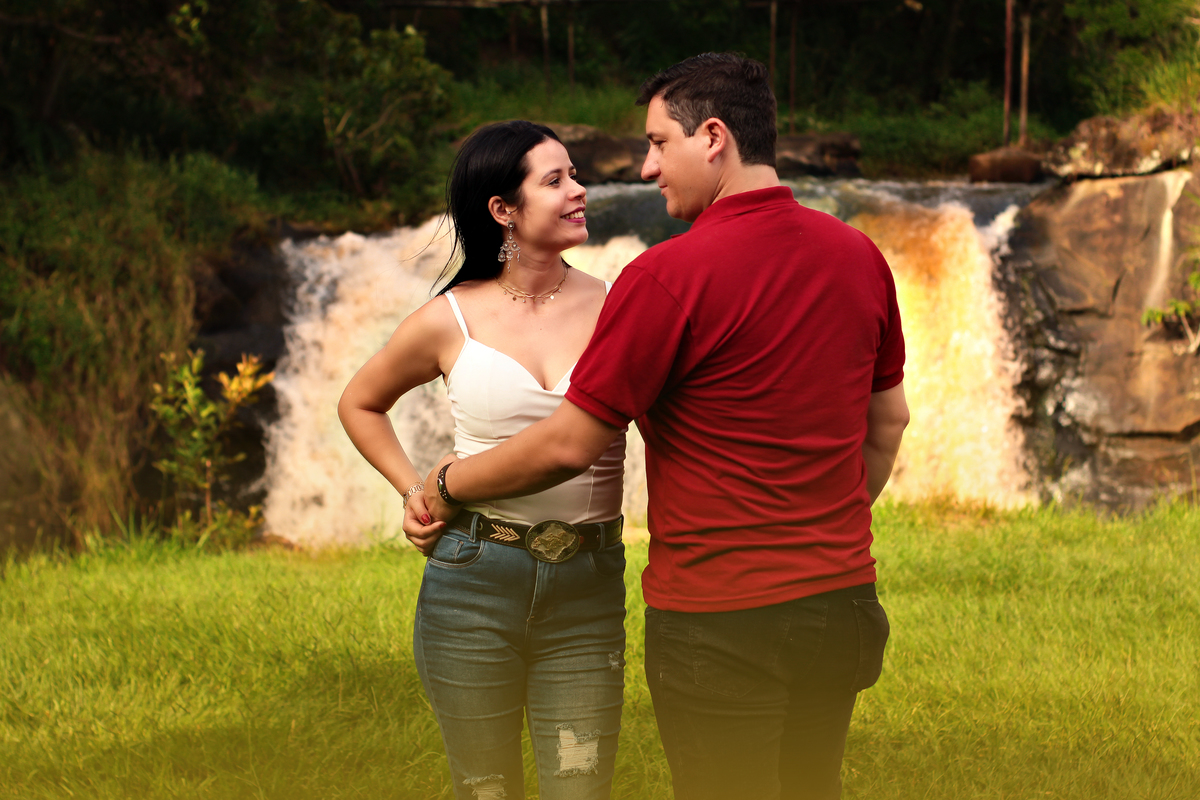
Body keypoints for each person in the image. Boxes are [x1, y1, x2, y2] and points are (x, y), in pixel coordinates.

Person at [412, 53, 910, 800]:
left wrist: (448, 483)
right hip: (841, 604)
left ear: (713, 137)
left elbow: (570, 444)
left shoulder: (666, 277)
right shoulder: (859, 255)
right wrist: (816, 530)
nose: (647, 167)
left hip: (722, 619)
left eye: (657, 143)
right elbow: (888, 421)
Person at [338, 120, 628, 800]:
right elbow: (360, 403)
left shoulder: (617, 306)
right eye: (555, 180)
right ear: (503, 209)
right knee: (485, 789)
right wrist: (413, 490)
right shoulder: (450, 318)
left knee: (581, 790)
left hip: (587, 586)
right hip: (472, 581)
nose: (579, 190)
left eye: (575, 174)